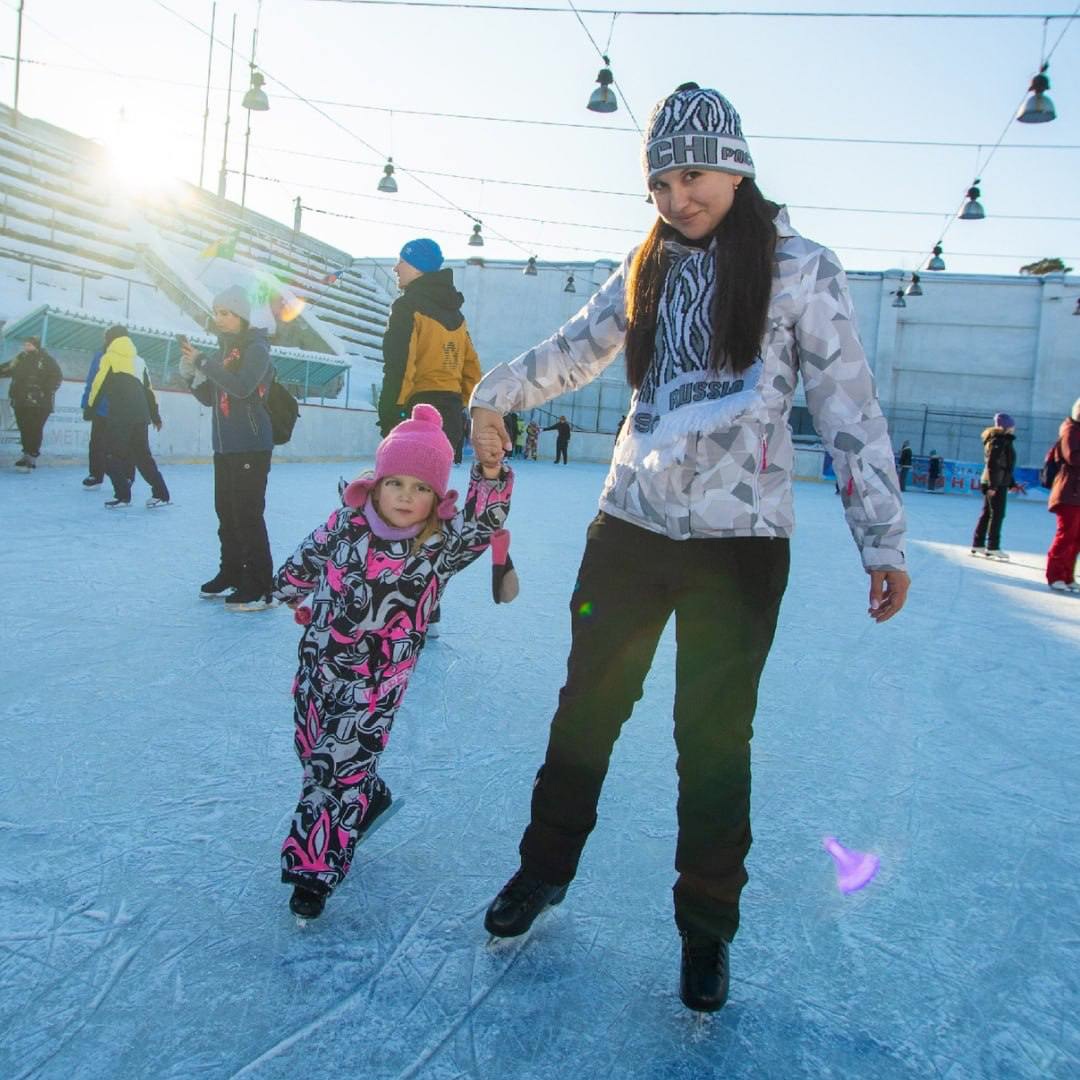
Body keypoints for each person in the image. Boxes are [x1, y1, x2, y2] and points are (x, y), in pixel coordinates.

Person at [468, 82, 909, 1014]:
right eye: (660, 184)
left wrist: (881, 536)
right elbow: (575, 349)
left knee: (713, 743)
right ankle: (543, 870)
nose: (678, 198)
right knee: (586, 713)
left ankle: (707, 930)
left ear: (737, 169)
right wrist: (493, 394)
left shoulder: (800, 268)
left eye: (694, 177)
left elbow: (847, 405)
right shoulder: (648, 265)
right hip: (629, 528)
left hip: (739, 546)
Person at [272, 405, 512, 920]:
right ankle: (370, 795)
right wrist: (287, 587)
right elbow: (311, 553)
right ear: (376, 484)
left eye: (421, 488)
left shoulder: (438, 547)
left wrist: (490, 473)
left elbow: (483, 525)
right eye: (396, 483)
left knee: (336, 769)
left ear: (437, 498)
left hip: (376, 683)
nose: (406, 496)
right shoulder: (347, 523)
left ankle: (314, 869)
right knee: (312, 749)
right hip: (318, 663)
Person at [179, 285, 275, 611]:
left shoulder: (256, 349)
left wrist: (204, 362)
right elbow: (212, 398)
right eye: (216, 313)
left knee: (247, 514)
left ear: (241, 315)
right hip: (225, 445)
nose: (218, 318)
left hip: (250, 444)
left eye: (225, 313)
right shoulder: (224, 351)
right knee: (226, 513)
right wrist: (192, 377)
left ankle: (260, 585)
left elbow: (242, 387)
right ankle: (232, 572)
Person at [377, 238, 481, 458]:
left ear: (418, 268)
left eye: (401, 261)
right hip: (450, 415)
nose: (395, 268)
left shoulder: (407, 307)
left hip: (417, 412)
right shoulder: (457, 316)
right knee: (431, 479)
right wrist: (457, 406)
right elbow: (471, 369)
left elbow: (400, 366)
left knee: (403, 477)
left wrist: (390, 415)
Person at [86, 326, 170, 509]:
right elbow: (149, 391)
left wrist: (90, 409)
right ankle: (161, 494)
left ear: (110, 338)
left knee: (110, 455)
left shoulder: (109, 357)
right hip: (141, 415)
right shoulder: (139, 360)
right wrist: (155, 416)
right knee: (142, 456)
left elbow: (98, 385)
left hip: (121, 415)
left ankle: (123, 496)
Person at [0, 336, 62, 470]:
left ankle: (32, 456)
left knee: (34, 428)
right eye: (26, 344)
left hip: (40, 403)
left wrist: (44, 391)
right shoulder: (20, 358)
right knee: (24, 428)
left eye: (29, 345)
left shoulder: (46, 360)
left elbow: (57, 376)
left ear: (36, 345)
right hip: (21, 400)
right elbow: (7, 368)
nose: (26, 347)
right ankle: (26, 454)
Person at [970, 413, 1018, 560]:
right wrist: (993, 486)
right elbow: (993, 464)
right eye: (1012, 425)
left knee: (988, 513)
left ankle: (978, 544)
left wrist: (1011, 482)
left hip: (997, 481)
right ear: (1006, 426)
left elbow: (1006, 465)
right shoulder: (999, 440)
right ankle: (993, 546)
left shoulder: (1002, 440)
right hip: (995, 482)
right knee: (997, 514)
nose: (1014, 428)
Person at [1045, 397, 1080, 593]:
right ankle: (1055, 575)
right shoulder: (1071, 430)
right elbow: (1073, 457)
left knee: (1076, 538)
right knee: (1066, 535)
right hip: (1068, 492)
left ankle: (1067, 576)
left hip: (1076, 493)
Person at [80, 345, 111, 489]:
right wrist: (86, 402)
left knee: (121, 444)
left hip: (121, 409)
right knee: (97, 443)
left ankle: (127, 476)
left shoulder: (131, 357)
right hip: (101, 408)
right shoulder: (100, 356)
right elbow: (92, 380)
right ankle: (96, 475)